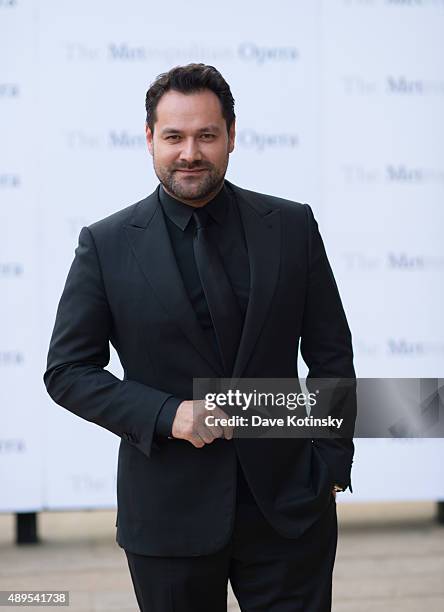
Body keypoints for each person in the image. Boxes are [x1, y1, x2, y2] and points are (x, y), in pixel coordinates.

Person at [44, 63, 356, 611]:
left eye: (206, 136)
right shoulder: (106, 244)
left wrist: (330, 465)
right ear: (149, 139)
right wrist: (170, 414)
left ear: (232, 136)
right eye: (174, 137)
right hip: (168, 516)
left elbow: (331, 351)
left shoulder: (291, 226)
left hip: (289, 508)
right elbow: (68, 372)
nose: (190, 152)